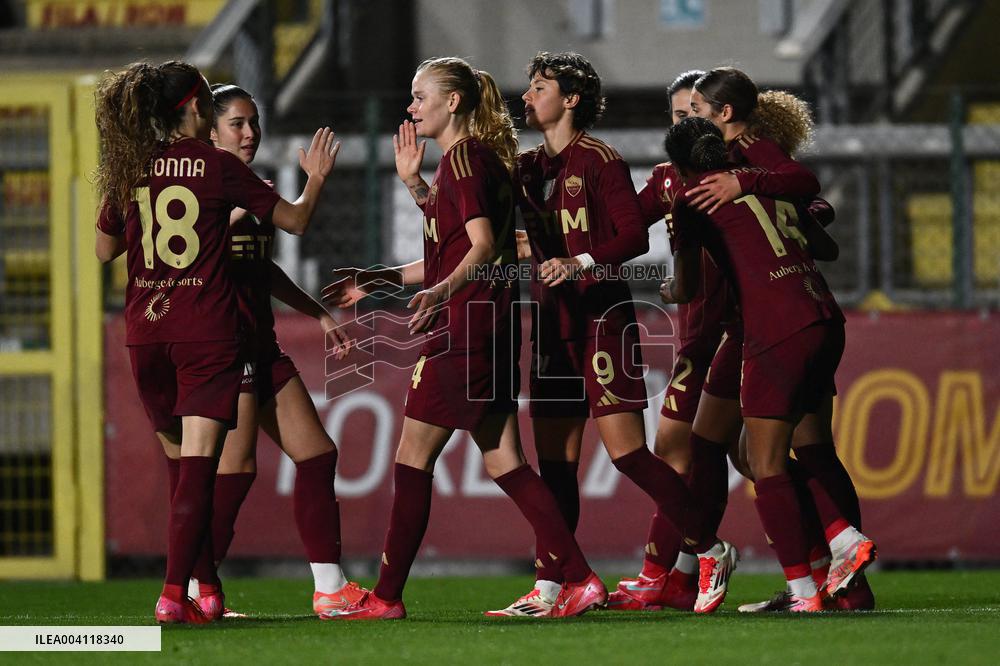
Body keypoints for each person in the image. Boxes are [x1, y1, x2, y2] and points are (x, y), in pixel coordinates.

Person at [320, 56, 605, 621]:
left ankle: (387, 596)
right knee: (506, 463)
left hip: (465, 329)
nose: (411, 107)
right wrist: (409, 193)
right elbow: (454, 242)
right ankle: (581, 579)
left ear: (453, 102)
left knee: (411, 459)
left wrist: (441, 293)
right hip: (488, 329)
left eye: (420, 96)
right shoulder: (469, 162)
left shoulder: (467, 159)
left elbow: (476, 248)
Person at [94, 60, 339, 624]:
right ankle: (174, 595)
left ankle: (207, 593)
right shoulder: (215, 166)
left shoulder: (129, 163)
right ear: (197, 108)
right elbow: (297, 222)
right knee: (206, 472)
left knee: (182, 472)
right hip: (205, 331)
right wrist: (318, 177)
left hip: (144, 334)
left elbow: (105, 251)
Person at [496, 51, 735, 617]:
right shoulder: (529, 169)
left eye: (538, 87)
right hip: (554, 326)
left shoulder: (602, 161)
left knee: (627, 454)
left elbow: (631, 238)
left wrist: (578, 262)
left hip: (604, 322)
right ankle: (552, 586)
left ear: (571, 98)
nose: (527, 97)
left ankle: (710, 546)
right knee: (555, 464)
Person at [664, 116, 875, 612]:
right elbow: (827, 246)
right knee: (787, 449)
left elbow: (687, 286)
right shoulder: (771, 182)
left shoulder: (693, 198)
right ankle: (834, 567)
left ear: (681, 165)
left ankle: (818, 574)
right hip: (823, 317)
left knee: (764, 462)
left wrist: (669, 289)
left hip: (773, 330)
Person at [182, 83, 361, 620]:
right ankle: (195, 588)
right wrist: (315, 182)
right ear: (209, 131)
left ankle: (329, 590)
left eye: (253, 122)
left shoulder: (251, 189)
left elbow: (259, 266)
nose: (250, 132)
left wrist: (318, 312)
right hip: (221, 345)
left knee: (317, 453)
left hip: (261, 343)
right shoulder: (202, 190)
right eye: (237, 123)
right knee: (234, 470)